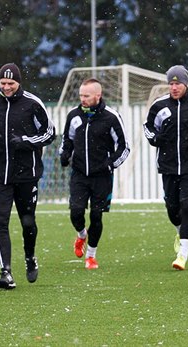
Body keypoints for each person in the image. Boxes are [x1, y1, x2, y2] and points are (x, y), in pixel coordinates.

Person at [0, 63, 55, 289]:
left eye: (10, 83)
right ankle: (6, 272)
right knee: (0, 222)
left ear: (19, 83)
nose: (6, 87)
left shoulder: (33, 104)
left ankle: (30, 257)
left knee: (27, 222)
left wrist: (25, 142)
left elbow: (49, 133)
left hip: (26, 175)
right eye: (3, 83)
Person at [143, 65, 188, 270]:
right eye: (171, 84)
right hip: (167, 166)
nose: (174, 87)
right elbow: (148, 128)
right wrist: (156, 139)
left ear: (185, 84)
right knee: (172, 209)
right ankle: (181, 231)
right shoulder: (159, 106)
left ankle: (182, 255)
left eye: (178, 84)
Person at [59, 78, 130, 270]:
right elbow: (67, 141)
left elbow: (124, 147)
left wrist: (110, 164)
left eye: (87, 96)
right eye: (81, 95)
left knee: (97, 216)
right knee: (76, 212)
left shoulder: (111, 117)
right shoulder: (74, 116)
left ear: (98, 96)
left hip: (102, 177)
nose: (82, 99)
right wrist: (64, 155)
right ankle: (82, 235)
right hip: (79, 174)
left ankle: (91, 256)